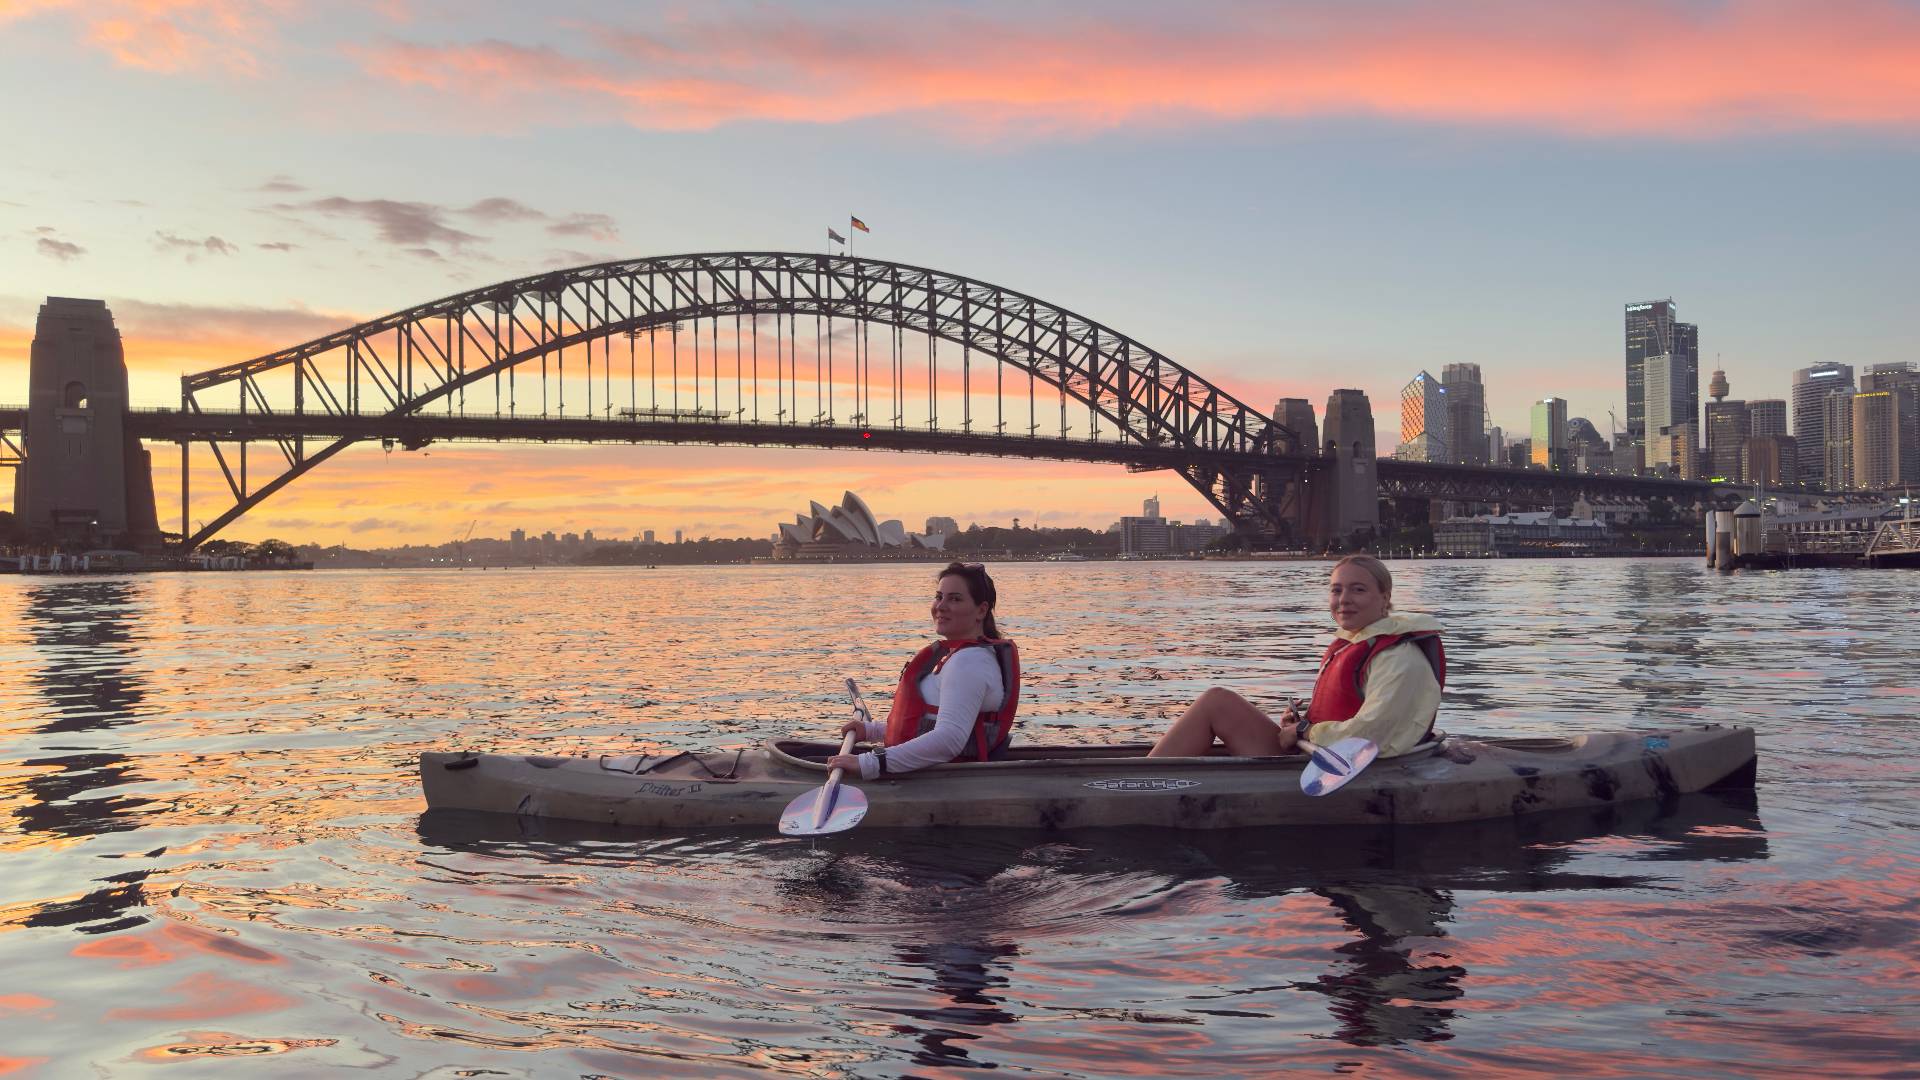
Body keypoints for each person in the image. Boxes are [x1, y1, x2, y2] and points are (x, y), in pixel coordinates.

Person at [1148, 554, 1443, 759]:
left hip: (1337, 770)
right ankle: (1142, 775)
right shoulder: (1357, 642)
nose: (1344, 600)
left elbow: (1373, 733)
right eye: (1336, 590)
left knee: (1217, 702)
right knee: (1218, 700)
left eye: (1358, 590)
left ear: (1384, 597)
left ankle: (1136, 783)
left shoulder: (1399, 658)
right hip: (1316, 755)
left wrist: (1304, 731)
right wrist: (1302, 723)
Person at [828, 562, 1021, 779]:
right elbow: (928, 722)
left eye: (955, 599)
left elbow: (950, 739)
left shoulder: (969, 662)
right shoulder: (961, 656)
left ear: (981, 610)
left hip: (944, 780)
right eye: (939, 597)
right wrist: (873, 731)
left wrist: (871, 764)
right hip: (928, 773)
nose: (941, 606)